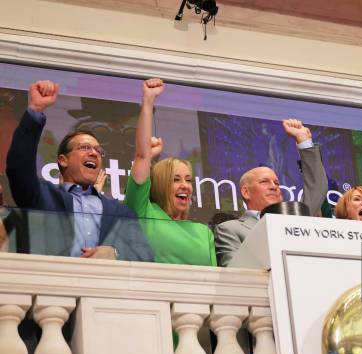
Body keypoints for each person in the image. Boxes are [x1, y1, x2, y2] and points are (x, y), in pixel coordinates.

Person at [6, 80, 153, 261]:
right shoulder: (43, 197)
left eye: (99, 151)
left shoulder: (120, 212)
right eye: (84, 148)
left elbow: (145, 256)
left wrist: (115, 253)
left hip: (104, 286)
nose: (94, 153)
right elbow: (18, 168)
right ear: (63, 160)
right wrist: (35, 111)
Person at [124, 78, 216, 266]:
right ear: (161, 183)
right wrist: (148, 101)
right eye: (176, 179)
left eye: (189, 180)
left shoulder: (203, 232)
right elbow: (141, 156)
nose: (185, 186)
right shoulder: (144, 212)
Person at [214, 119, 328, 266]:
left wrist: (303, 140)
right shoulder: (229, 229)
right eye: (264, 182)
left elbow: (317, 188)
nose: (274, 187)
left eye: (276, 183)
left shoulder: (293, 220)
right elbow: (234, 272)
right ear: (246, 192)